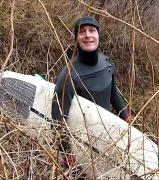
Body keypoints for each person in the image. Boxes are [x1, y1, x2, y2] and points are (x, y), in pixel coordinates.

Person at [51, 15, 129, 177]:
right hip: (82, 149)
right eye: (82, 32)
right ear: (76, 38)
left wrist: (125, 117)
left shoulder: (107, 63)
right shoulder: (69, 75)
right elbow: (58, 119)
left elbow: (113, 93)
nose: (88, 35)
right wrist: (68, 153)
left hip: (107, 138)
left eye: (92, 30)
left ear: (98, 35)